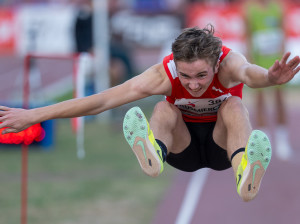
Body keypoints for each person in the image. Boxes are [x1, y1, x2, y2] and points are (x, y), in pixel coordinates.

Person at [0, 25, 299, 202]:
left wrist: (271, 78)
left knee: (234, 105)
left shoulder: (229, 63)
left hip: (224, 146)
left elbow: (251, 74)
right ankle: (154, 155)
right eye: (185, 76)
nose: (193, 85)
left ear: (215, 63)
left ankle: (244, 175)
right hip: (181, 148)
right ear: (175, 65)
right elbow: (102, 101)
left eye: (201, 75)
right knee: (162, 107)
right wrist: (33, 115)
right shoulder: (162, 74)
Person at [245, 0, 294, 161]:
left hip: (276, 60)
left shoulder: (277, 8)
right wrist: (250, 61)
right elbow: (247, 36)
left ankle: (282, 140)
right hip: (259, 60)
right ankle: (264, 141)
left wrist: (283, 56)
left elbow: (283, 33)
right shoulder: (249, 10)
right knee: (259, 101)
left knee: (280, 99)